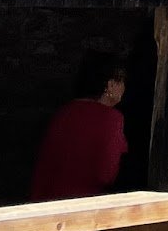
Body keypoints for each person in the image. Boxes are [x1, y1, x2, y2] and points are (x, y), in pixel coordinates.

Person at [29, 50, 129, 200]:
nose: (123, 88)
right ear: (110, 85)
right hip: (81, 203)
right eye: (121, 81)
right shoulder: (111, 119)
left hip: (45, 201)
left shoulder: (64, 112)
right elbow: (106, 175)